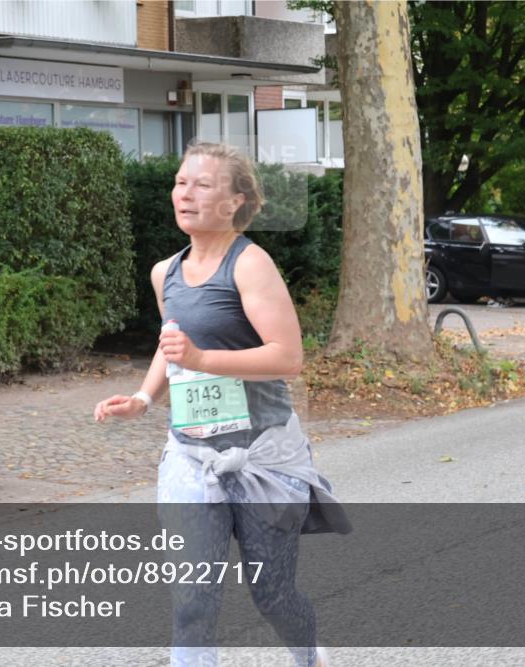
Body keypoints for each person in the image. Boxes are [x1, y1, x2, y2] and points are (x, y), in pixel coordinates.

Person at [94, 142, 348, 667]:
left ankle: (310, 656)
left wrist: (204, 359)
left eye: (202, 185)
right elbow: (174, 343)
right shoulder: (165, 272)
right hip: (191, 458)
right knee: (192, 603)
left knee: (273, 598)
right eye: (181, 182)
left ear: (235, 201)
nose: (184, 194)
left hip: (263, 459)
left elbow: (288, 357)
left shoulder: (251, 265)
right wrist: (144, 397)